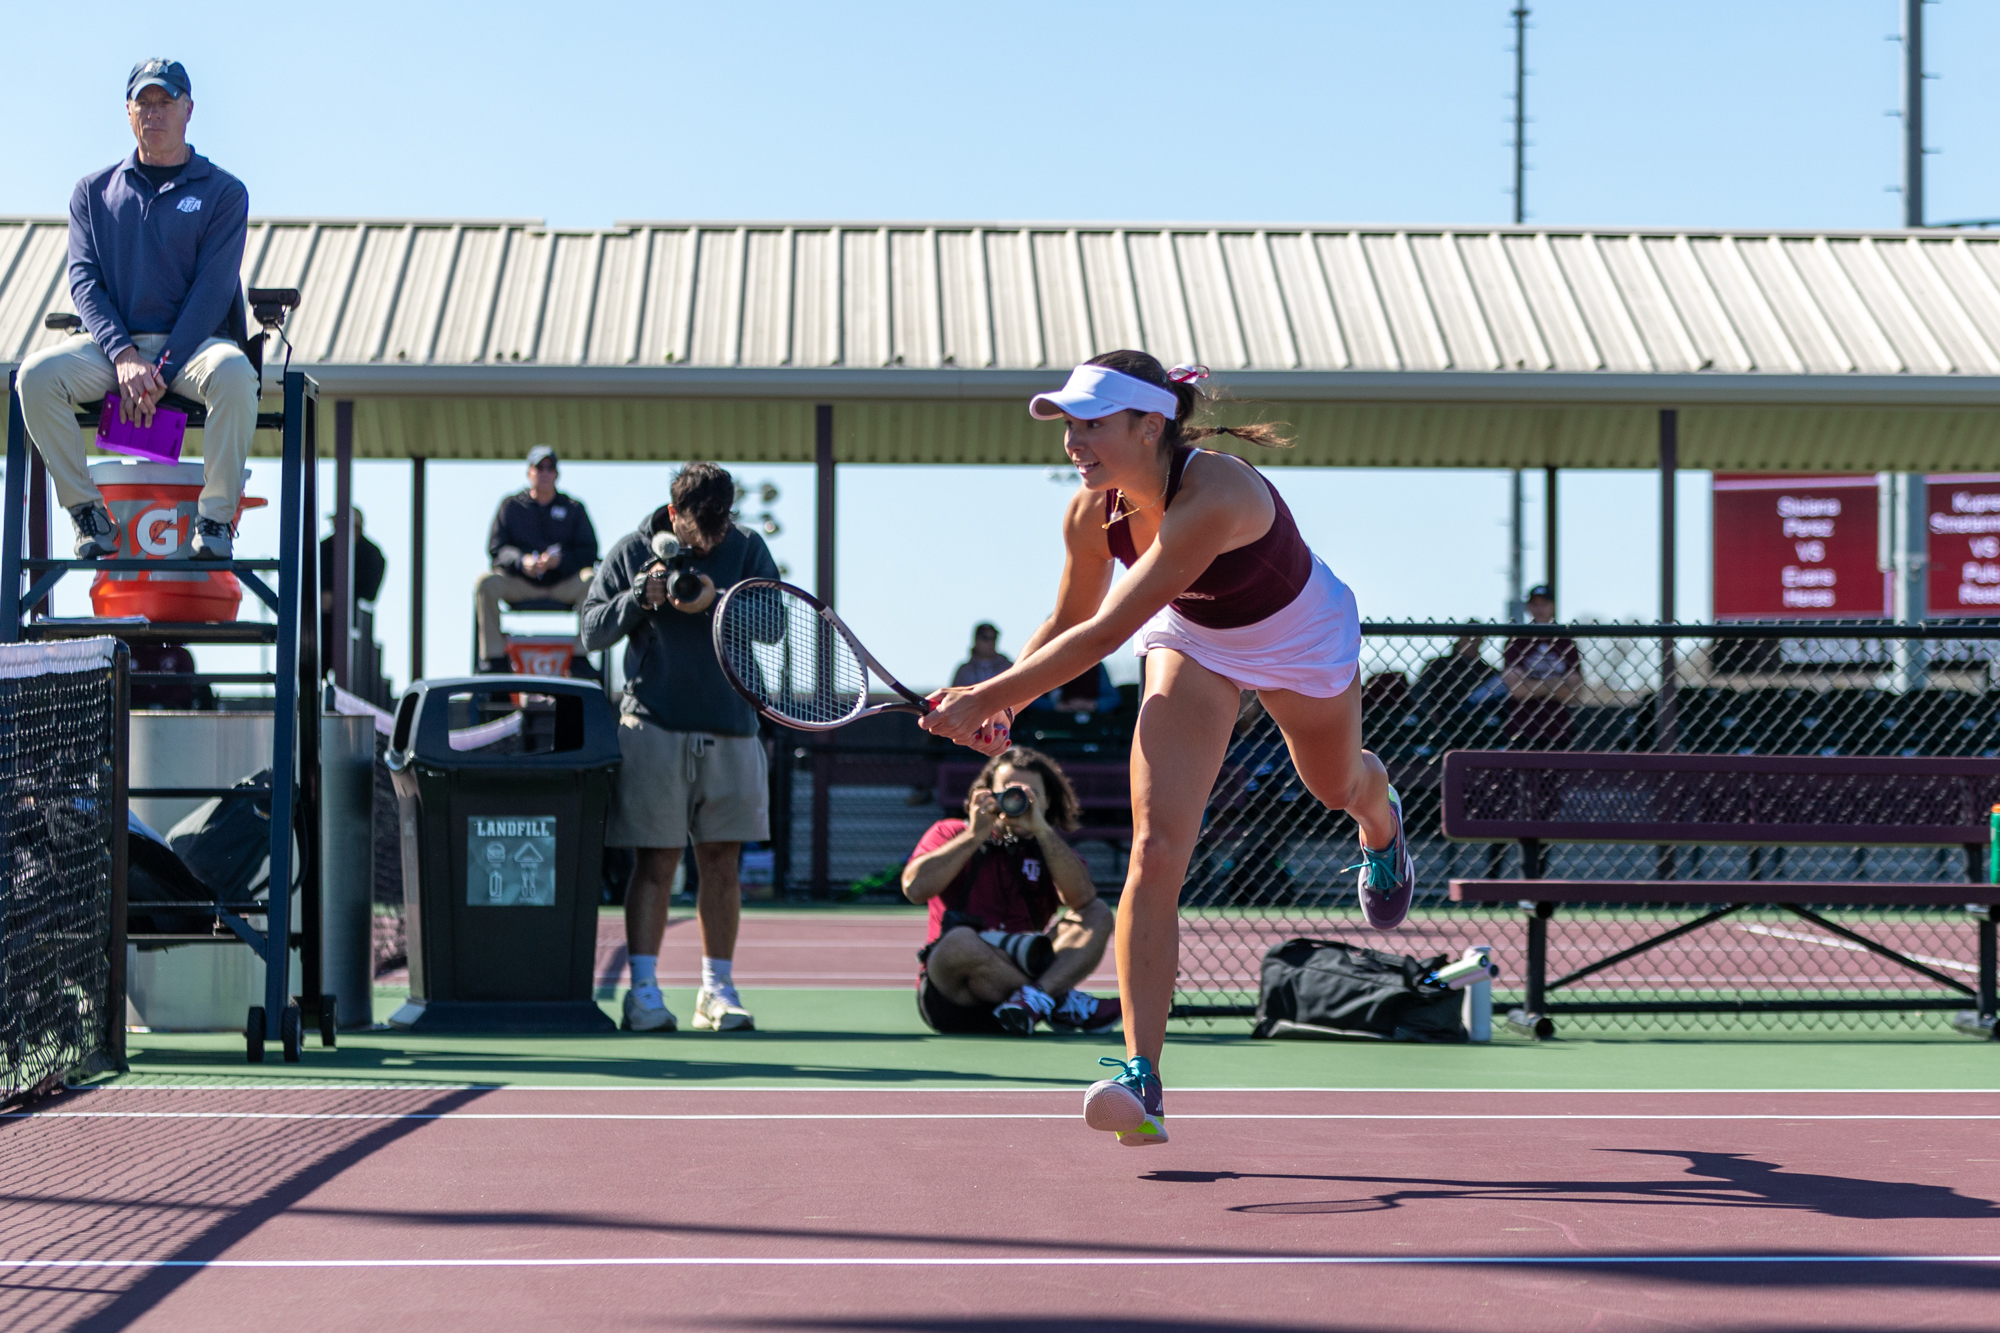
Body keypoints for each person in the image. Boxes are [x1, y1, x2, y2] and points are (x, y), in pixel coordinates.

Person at [920, 350, 1412, 1148]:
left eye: (1090, 425)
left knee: (1334, 784)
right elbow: (1067, 620)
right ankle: (1141, 1077)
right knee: (1155, 848)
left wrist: (992, 696)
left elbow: (1108, 630)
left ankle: (1379, 818)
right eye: (1068, 426)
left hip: (1300, 636)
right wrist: (1006, 694)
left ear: (1151, 426)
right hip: (1192, 636)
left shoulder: (1217, 491)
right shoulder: (1091, 513)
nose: (1073, 442)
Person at [19, 59, 256, 561]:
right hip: (113, 350)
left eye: (165, 101)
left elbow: (213, 290)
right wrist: (125, 355)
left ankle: (214, 522)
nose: (154, 112)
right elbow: (84, 282)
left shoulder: (224, 191)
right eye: (143, 102)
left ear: (188, 109)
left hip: (192, 351)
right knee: (35, 378)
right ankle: (87, 513)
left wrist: (161, 369)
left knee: (236, 372)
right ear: (128, 112)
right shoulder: (93, 191)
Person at [581, 462, 780, 1034]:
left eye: (722, 526)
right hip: (654, 726)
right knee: (655, 861)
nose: (712, 540)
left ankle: (717, 990)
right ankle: (642, 993)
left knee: (721, 863)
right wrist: (639, 599)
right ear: (674, 514)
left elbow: (775, 625)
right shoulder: (631, 549)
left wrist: (722, 601)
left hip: (733, 728)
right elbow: (590, 630)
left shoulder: (745, 547)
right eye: (700, 529)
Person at [904, 747, 1119, 1035]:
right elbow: (914, 889)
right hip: (954, 994)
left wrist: (1041, 831)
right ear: (988, 794)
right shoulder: (952, 832)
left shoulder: (1051, 848)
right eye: (1008, 792)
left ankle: (1034, 1000)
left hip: (1021, 980)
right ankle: (1055, 1001)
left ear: (1046, 802)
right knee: (960, 942)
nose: (1017, 801)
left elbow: (1082, 900)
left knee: (1098, 913)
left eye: (1030, 795)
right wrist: (975, 835)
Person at [476, 446, 598, 673]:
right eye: (538, 467)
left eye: (550, 468)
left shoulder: (573, 508)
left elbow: (589, 552)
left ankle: (580, 657)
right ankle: (495, 659)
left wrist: (561, 561)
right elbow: (496, 549)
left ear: (556, 474)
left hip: (562, 583)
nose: (544, 472)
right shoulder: (511, 506)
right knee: (485, 583)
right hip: (521, 584)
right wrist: (521, 561)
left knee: (592, 581)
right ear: (529, 472)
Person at [1503, 584, 1582, 750]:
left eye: (1544, 604)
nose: (1539, 609)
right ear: (1528, 607)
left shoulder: (1565, 641)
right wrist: (1557, 685)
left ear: (1552, 606)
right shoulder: (1517, 640)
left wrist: (1531, 685)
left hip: (1558, 731)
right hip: (1522, 730)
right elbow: (1517, 690)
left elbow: (1575, 692)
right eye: (1535, 604)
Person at [950, 623, 1012, 688]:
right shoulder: (964, 671)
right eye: (985, 638)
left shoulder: (1007, 668)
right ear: (976, 640)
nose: (990, 642)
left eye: (993, 638)